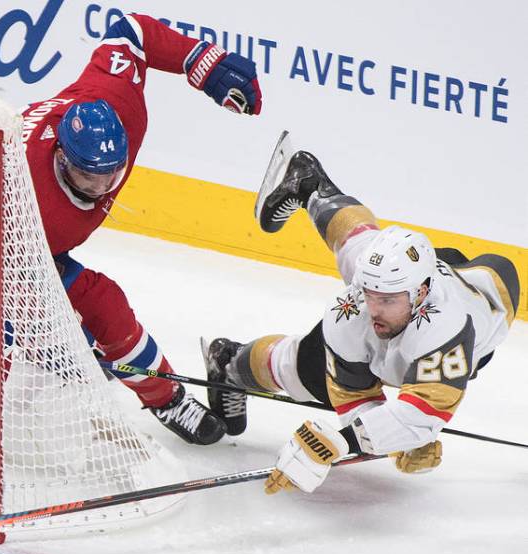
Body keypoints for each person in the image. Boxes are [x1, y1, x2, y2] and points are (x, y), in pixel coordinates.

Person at [201, 132, 520, 493]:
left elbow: (422, 415)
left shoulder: (445, 330)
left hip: (483, 293)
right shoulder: (356, 305)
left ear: (422, 294)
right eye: (370, 295)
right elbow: (356, 398)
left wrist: (397, 438)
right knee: (303, 368)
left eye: (387, 300)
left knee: (368, 264)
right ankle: (228, 362)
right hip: (435, 280)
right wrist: (368, 440)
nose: (374, 310)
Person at [18, 13, 262, 445]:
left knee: (94, 318)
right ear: (61, 157)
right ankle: (163, 396)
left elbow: (130, 31)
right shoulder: (22, 187)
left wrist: (200, 60)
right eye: (88, 178)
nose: (100, 188)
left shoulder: (116, 102)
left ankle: (159, 393)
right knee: (94, 307)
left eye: (110, 177)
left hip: (33, 237)